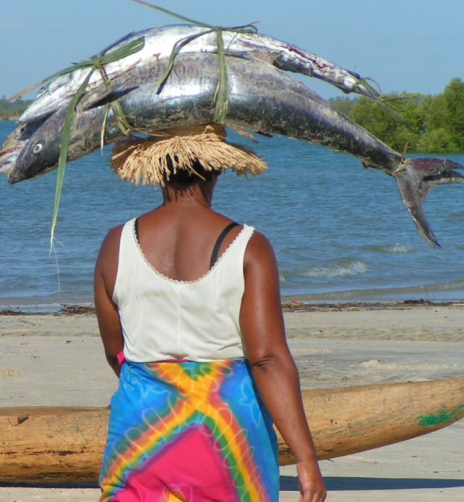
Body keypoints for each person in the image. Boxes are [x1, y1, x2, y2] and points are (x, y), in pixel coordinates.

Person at [93, 125, 327, 501]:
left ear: (157, 169)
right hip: (226, 430)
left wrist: (158, 382)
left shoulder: (115, 243)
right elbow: (267, 359)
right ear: (217, 169)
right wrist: (306, 457)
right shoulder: (249, 247)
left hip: (143, 426)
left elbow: (114, 351)